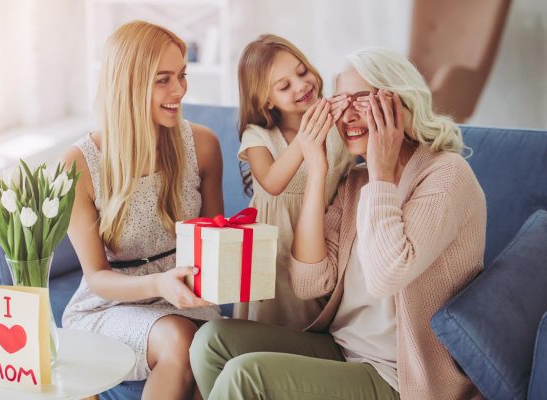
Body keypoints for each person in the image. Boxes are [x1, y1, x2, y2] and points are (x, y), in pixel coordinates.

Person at [190, 47, 486, 400]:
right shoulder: (355, 183)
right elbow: (308, 281)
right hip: (343, 349)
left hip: (399, 374)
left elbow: (386, 274)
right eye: (342, 101)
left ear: (402, 100)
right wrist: (317, 172)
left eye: (363, 99)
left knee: (245, 376)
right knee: (211, 341)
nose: (347, 115)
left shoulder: (446, 174)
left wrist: (382, 171)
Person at [61, 21, 223, 400]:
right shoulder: (80, 165)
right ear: (129, 84)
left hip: (186, 300)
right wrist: (157, 284)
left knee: (213, 356)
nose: (179, 91)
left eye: (182, 75)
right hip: (109, 304)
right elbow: (98, 277)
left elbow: (215, 243)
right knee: (181, 340)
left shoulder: (203, 145)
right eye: (163, 79)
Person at [234, 34, 351, 330]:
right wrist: (309, 133)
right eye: (284, 86)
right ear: (266, 100)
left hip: (319, 247)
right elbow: (273, 182)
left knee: (313, 324)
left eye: (302, 72)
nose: (301, 86)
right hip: (270, 254)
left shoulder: (337, 126)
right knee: (267, 331)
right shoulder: (258, 136)